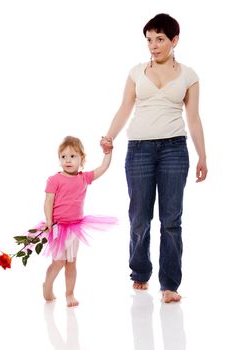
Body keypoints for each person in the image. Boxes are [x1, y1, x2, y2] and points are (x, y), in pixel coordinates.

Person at [101, 13, 207, 303]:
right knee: (139, 217)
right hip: (139, 150)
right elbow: (124, 108)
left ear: (174, 40)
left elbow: (194, 118)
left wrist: (203, 156)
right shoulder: (136, 72)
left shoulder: (189, 75)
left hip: (175, 149)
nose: (153, 45)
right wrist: (108, 136)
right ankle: (140, 271)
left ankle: (170, 284)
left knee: (171, 220)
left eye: (160, 39)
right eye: (149, 39)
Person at [42, 135, 116, 307]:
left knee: (72, 262)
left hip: (75, 227)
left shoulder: (84, 178)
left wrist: (108, 152)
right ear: (59, 159)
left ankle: (70, 293)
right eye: (63, 156)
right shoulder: (54, 179)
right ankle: (48, 284)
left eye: (73, 156)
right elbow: (48, 201)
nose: (67, 160)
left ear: (82, 159)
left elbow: (103, 167)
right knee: (59, 261)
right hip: (58, 226)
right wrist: (48, 221)